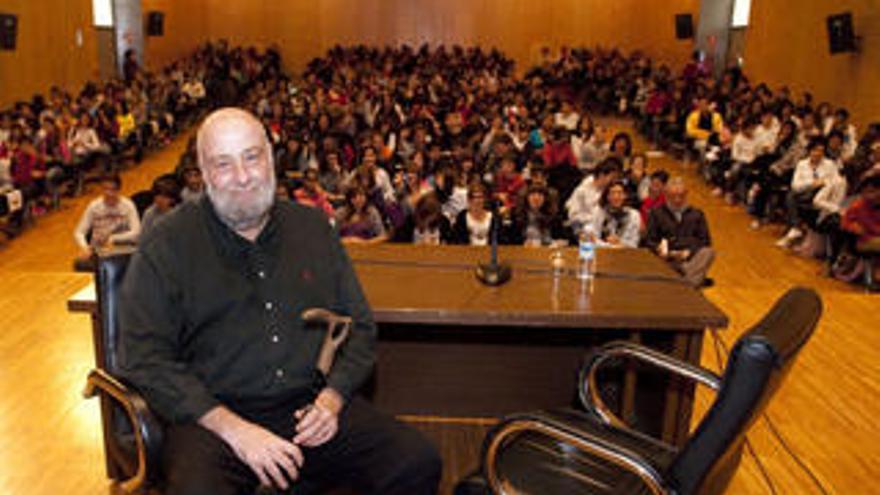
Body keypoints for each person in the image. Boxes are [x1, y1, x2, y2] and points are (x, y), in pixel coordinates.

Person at [118, 108, 440, 495]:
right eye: (223, 163)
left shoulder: (314, 228)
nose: (242, 176)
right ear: (203, 173)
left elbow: (360, 328)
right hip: (213, 419)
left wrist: (332, 400)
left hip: (311, 407)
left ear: (271, 159)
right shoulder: (165, 244)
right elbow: (143, 357)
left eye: (252, 157)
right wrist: (235, 430)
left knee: (416, 462)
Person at [645, 177, 715, 287]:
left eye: (681, 196)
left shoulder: (697, 214)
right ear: (666, 195)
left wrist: (688, 253)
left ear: (686, 195)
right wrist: (663, 250)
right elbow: (649, 241)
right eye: (673, 196)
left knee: (708, 252)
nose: (677, 200)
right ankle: (691, 282)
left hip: (690, 259)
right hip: (666, 258)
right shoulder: (656, 213)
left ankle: (685, 279)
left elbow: (705, 241)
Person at [72, 174, 141, 259]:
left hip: (123, 250)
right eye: (105, 189)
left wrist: (114, 238)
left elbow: (136, 232)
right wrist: (84, 247)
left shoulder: (128, 205)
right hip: (99, 250)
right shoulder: (94, 206)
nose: (109, 193)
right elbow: (79, 232)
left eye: (113, 190)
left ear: (118, 190)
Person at [592, 180, 642, 248]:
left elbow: (634, 243)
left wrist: (619, 242)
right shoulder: (598, 212)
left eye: (620, 193)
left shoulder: (634, 215)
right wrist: (609, 245)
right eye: (612, 193)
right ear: (607, 196)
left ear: (625, 195)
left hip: (625, 253)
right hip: (602, 252)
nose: (616, 197)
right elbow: (593, 239)